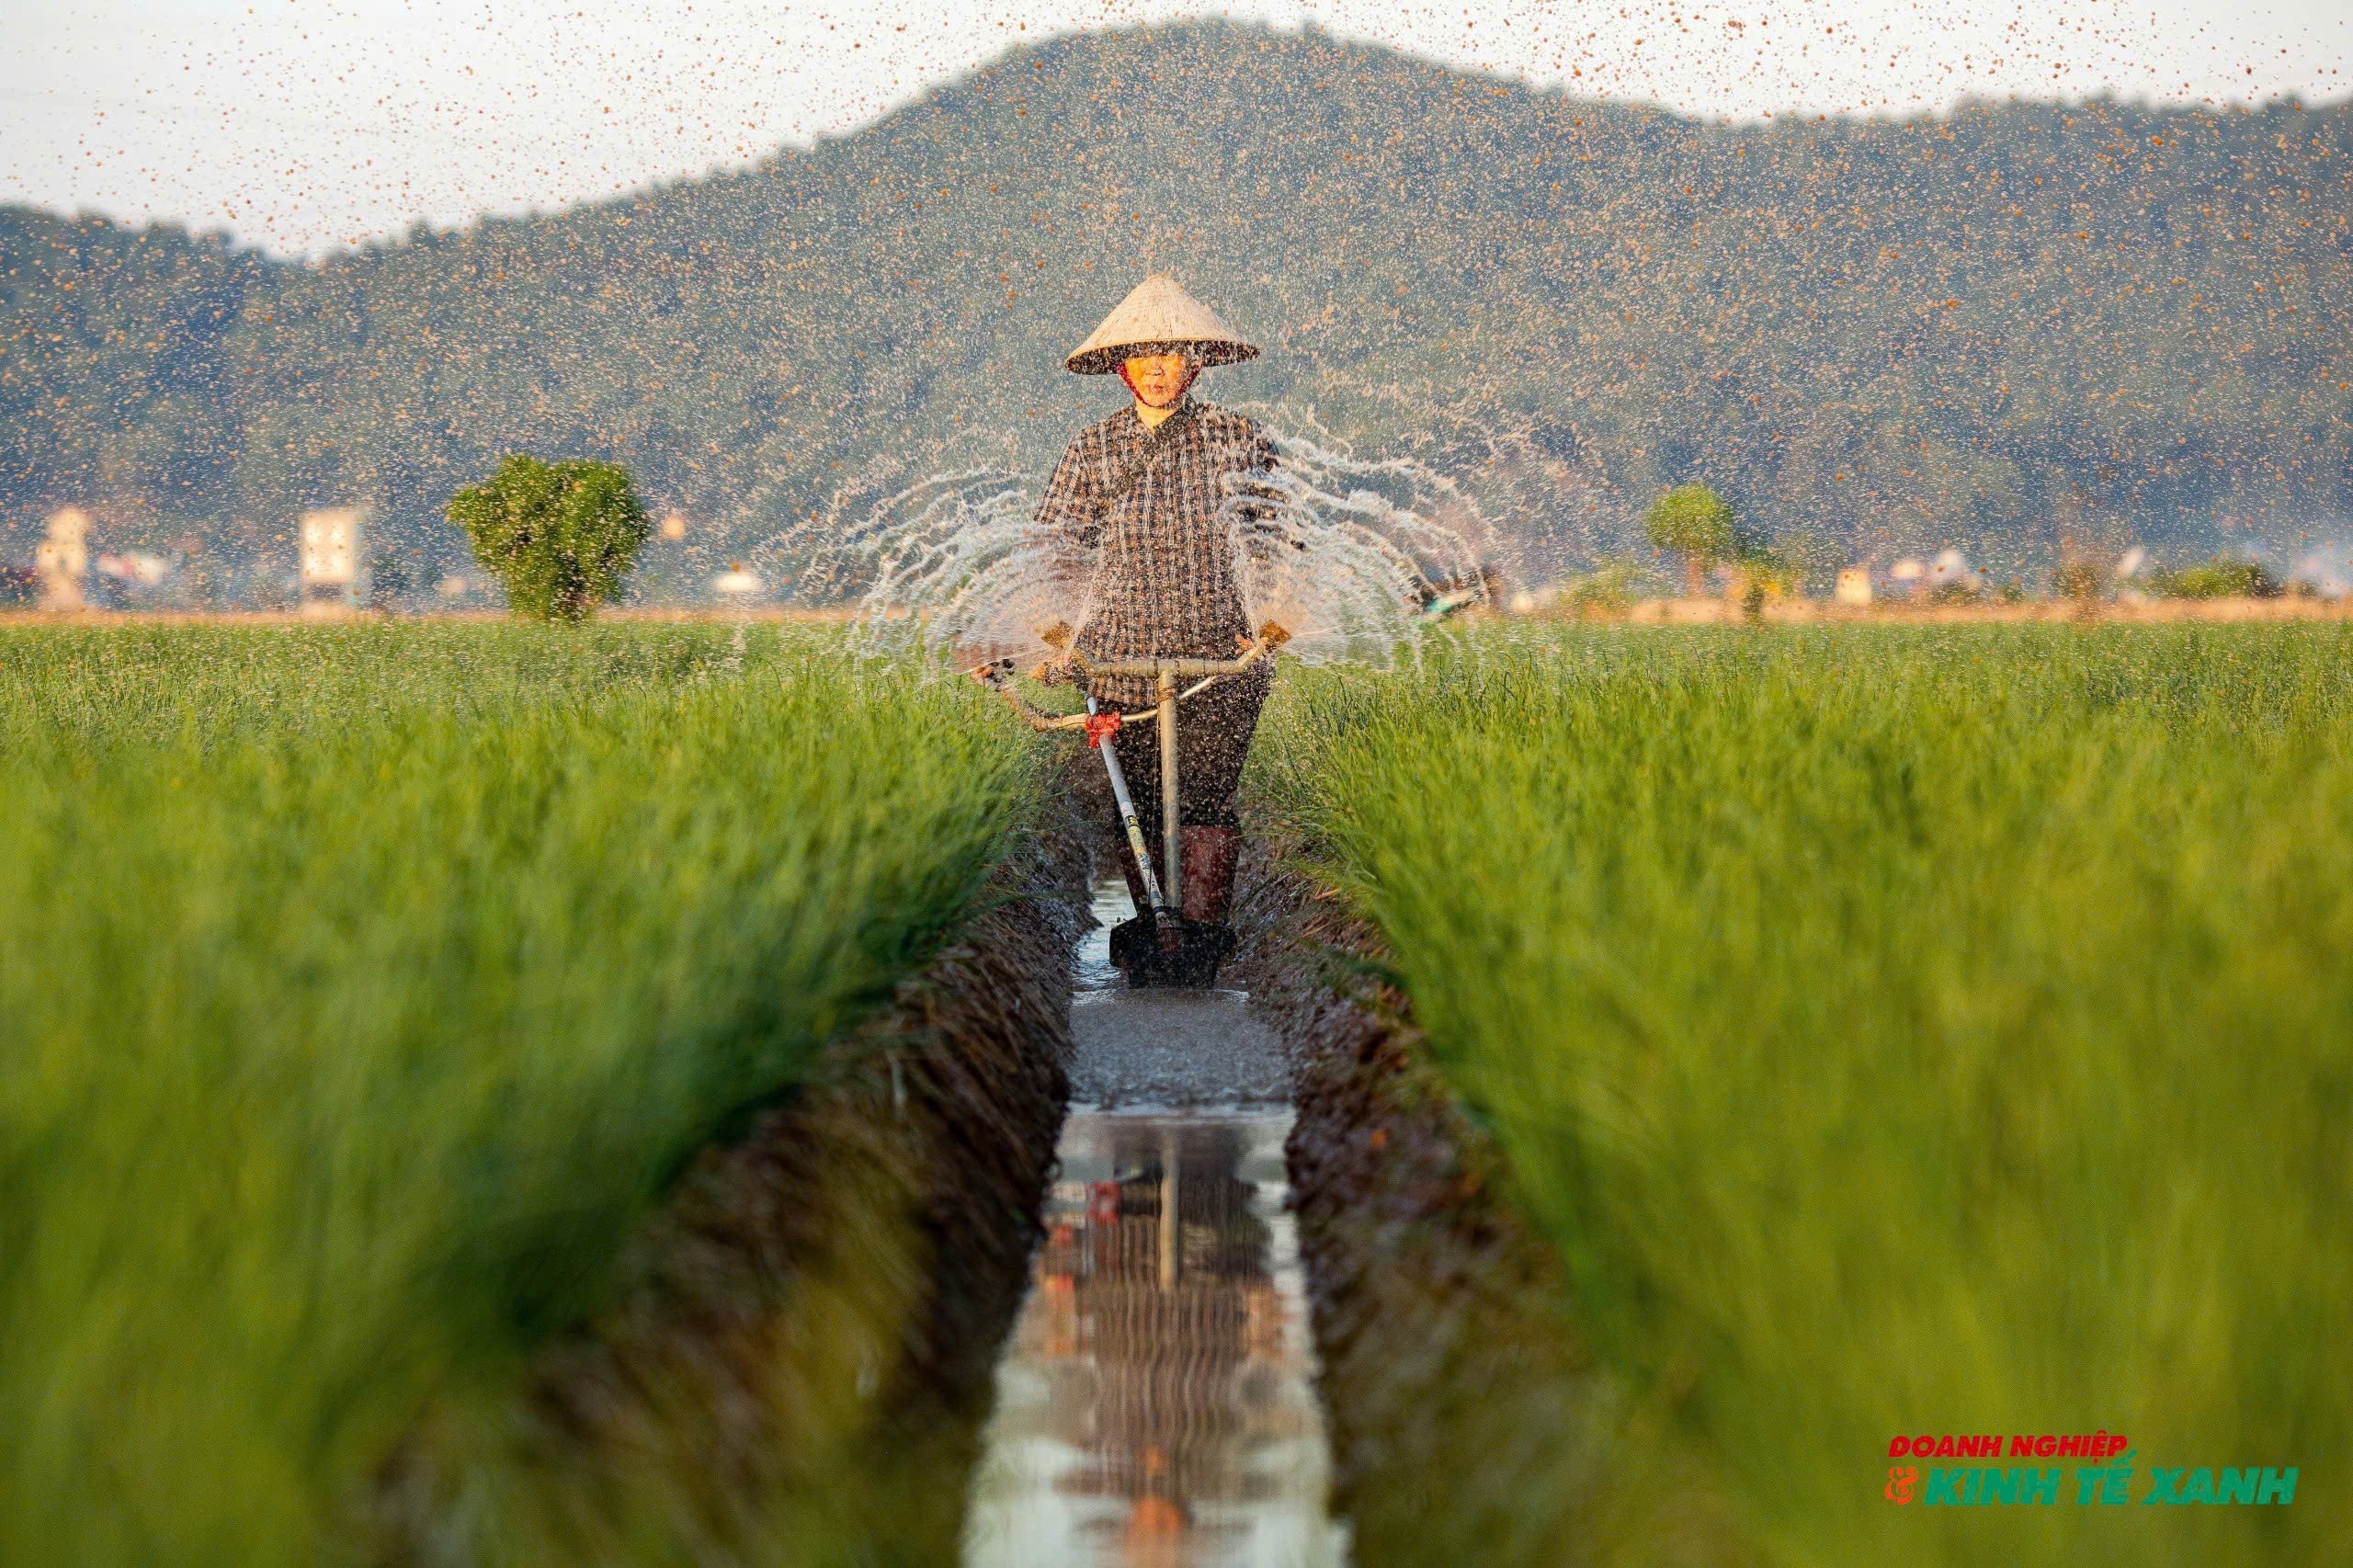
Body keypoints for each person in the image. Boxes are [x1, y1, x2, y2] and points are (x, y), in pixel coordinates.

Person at [1034, 274, 1279, 985]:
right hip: (1117, 658)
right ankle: (1153, 922)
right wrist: (1056, 637)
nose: (1157, 369)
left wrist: (1263, 625)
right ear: (1121, 368)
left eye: (1170, 356)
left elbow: (1274, 539)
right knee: (1134, 800)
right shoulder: (1093, 448)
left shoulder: (1239, 439)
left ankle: (1200, 933)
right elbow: (1057, 545)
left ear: (1194, 364)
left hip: (1217, 653)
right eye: (1143, 357)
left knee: (1204, 793)